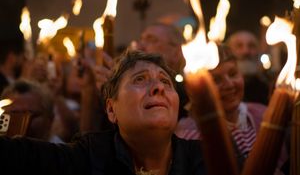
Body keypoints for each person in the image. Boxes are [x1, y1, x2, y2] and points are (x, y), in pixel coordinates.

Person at [0, 50, 206, 175]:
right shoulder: (88, 157)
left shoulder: (207, 159)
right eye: (140, 79)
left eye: (165, 82)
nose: (158, 88)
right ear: (111, 109)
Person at [175, 44, 288, 174]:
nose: (229, 85)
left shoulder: (263, 114)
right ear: (194, 90)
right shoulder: (189, 137)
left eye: (233, 74)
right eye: (216, 80)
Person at [226, 30, 270, 104]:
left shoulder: (268, 88)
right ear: (229, 51)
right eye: (239, 46)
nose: (246, 51)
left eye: (251, 46)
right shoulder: (224, 88)